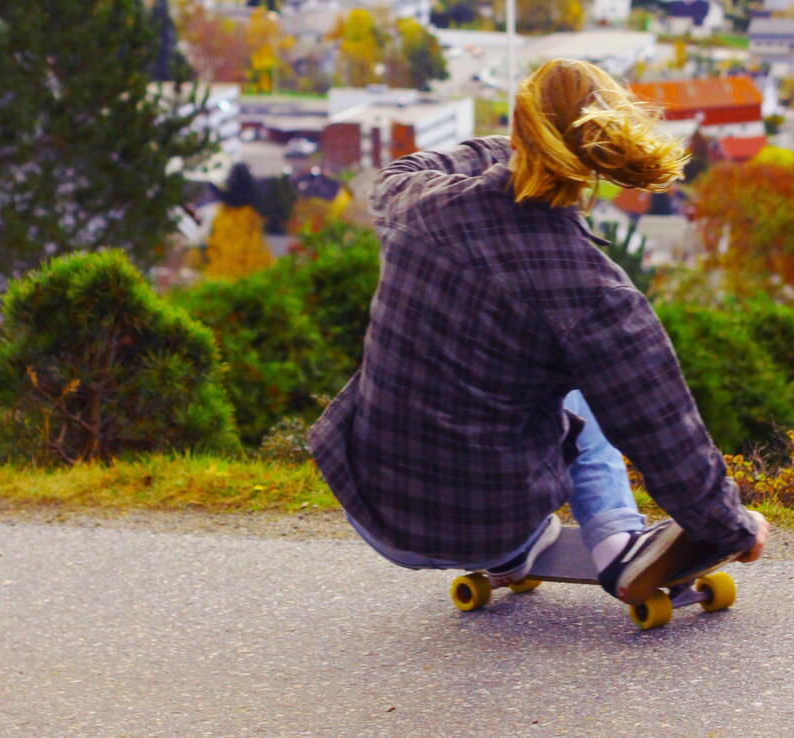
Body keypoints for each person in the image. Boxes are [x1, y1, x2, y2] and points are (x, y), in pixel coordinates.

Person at [309, 58, 769, 605]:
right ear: (605, 145)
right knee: (588, 373)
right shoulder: (592, 294)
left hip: (374, 505)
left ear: (521, 128)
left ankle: (511, 558)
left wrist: (519, 147)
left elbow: (402, 169)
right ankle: (616, 541)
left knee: (500, 355)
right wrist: (732, 526)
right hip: (494, 518)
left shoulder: (416, 203)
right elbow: (665, 430)